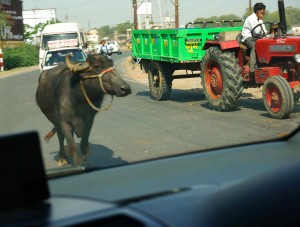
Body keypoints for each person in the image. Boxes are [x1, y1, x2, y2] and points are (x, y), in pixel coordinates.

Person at [241, 2, 267, 75]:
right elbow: (255, 31)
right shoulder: (250, 19)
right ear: (258, 11)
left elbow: (264, 31)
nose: (264, 13)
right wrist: (263, 33)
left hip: (257, 37)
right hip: (249, 38)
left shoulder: (260, 19)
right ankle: (253, 69)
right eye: (263, 11)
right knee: (255, 46)